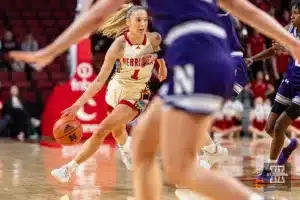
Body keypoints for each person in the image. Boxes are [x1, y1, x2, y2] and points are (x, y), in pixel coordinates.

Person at [8, 0, 300, 199]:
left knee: (177, 169)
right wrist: (292, 43)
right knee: (144, 147)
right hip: (212, 59)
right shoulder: (122, 42)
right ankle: (210, 149)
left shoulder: (149, 37)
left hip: (195, 58)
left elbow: (94, 17)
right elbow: (243, 8)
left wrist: (50, 51)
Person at [48, 4, 165, 180]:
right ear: (128, 22)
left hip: (138, 93)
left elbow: (166, 52)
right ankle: (127, 148)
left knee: (101, 130)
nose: (143, 24)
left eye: (145, 20)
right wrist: (77, 105)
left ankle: (68, 169)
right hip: (116, 89)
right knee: (118, 132)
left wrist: (159, 62)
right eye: (138, 20)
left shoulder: (154, 38)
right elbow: (99, 80)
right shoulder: (118, 46)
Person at [246, 1, 300, 184]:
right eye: (291, 13)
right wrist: (253, 59)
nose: (291, 16)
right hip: (289, 82)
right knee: (269, 127)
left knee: (279, 127)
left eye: (296, 14)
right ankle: (288, 145)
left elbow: (291, 50)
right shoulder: (289, 28)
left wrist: (289, 49)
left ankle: (270, 171)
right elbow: (276, 50)